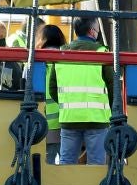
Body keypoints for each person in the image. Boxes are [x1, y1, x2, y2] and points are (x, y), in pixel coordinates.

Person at [48, 16, 114, 165]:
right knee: (96, 163)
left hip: (69, 118)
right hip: (96, 119)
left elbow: (53, 88)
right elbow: (112, 86)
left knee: (66, 163)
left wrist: (68, 102)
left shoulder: (61, 53)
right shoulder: (101, 52)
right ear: (92, 31)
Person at [37, 23, 67, 164]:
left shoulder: (35, 61)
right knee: (68, 164)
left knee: (44, 166)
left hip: (42, 122)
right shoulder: (67, 60)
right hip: (66, 121)